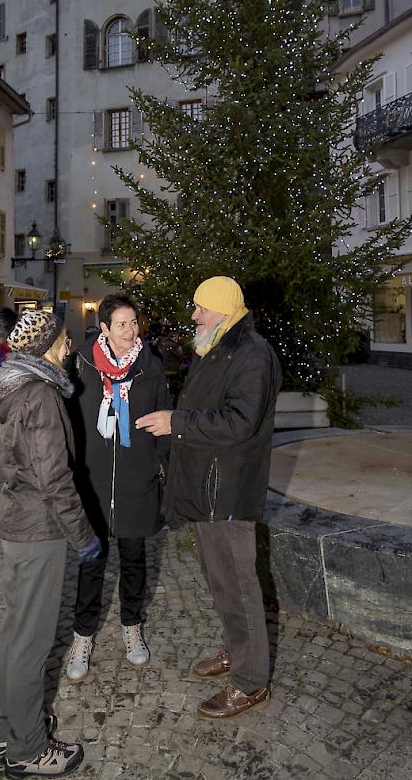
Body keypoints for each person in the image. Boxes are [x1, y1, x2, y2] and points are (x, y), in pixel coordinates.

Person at [136, 276, 281, 720]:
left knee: (238, 583)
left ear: (220, 309)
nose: (193, 315)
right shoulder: (217, 343)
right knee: (221, 582)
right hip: (207, 485)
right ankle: (239, 653)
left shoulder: (251, 354)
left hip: (228, 490)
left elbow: (238, 422)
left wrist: (176, 422)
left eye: (199, 307)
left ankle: (251, 682)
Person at [0, 310, 101, 778]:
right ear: (47, 344)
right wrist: (83, 536)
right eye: (65, 340)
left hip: (16, 525)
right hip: (39, 531)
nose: (69, 347)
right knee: (32, 643)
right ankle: (28, 749)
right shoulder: (41, 394)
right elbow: (55, 479)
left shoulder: (15, 386)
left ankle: (5, 734)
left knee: (15, 635)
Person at [65, 294, 170, 681]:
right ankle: (83, 636)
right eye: (121, 324)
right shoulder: (84, 365)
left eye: (134, 323)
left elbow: (164, 422)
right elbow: (71, 422)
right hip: (92, 484)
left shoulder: (150, 367)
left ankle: (132, 627)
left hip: (136, 480)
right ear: (104, 328)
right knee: (91, 563)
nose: (131, 331)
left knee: (134, 561)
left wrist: (162, 467)